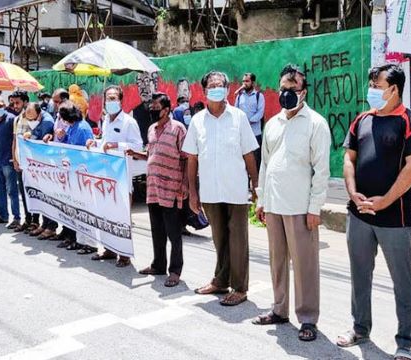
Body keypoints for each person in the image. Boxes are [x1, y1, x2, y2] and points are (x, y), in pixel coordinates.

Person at [337, 64, 411, 360]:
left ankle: (404, 341)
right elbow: (348, 159)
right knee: (359, 275)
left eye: (378, 86)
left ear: (394, 89)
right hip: (358, 214)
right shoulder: (361, 119)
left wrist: (384, 201)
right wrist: (353, 193)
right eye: (372, 85)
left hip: (396, 218)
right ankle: (360, 327)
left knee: (402, 280)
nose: (372, 91)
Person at [251, 64, 331, 342]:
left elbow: (321, 171)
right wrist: (262, 200)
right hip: (273, 205)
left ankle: (308, 318)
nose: (286, 93)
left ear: (304, 92)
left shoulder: (316, 124)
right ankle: (279, 309)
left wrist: (314, 208)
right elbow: (265, 165)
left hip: (300, 208)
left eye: (292, 89)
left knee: (305, 264)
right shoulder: (272, 123)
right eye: (283, 88)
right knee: (277, 262)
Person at [182, 71, 259, 306]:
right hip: (210, 191)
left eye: (220, 85)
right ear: (204, 91)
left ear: (227, 89)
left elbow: (248, 154)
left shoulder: (238, 118)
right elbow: (192, 159)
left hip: (235, 189)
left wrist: (256, 185)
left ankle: (240, 287)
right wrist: (193, 193)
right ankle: (220, 280)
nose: (216, 88)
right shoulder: (197, 121)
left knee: (238, 240)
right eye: (212, 85)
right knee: (219, 238)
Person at [128, 93, 188, 287]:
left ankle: (175, 270)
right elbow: (150, 153)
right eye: (151, 107)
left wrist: (185, 184)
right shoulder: (151, 129)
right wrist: (135, 154)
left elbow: (186, 158)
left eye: (156, 108)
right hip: (153, 188)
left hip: (171, 188)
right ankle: (158, 264)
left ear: (167, 110)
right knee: (157, 230)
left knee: (173, 232)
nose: (153, 111)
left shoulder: (178, 129)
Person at [88, 85, 143, 267]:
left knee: (122, 215)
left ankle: (124, 254)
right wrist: (94, 142)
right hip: (105, 175)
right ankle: (109, 249)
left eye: (114, 98)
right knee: (106, 213)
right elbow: (104, 143)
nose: (111, 101)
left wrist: (116, 146)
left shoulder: (129, 122)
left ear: (120, 100)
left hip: (122, 176)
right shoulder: (105, 121)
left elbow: (137, 146)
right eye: (108, 98)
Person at [44, 103, 95, 252]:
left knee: (85, 210)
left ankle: (89, 244)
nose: (60, 119)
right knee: (75, 209)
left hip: (82, 175)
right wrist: (60, 137)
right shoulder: (71, 128)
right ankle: (78, 240)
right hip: (71, 174)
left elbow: (87, 151)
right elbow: (67, 146)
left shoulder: (83, 128)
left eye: (61, 116)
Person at [18, 103, 58, 240]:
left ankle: (51, 226)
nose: (31, 122)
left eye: (33, 119)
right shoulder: (36, 120)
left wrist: (33, 135)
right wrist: (31, 134)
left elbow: (42, 140)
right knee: (42, 196)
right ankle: (45, 224)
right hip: (39, 166)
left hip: (48, 165)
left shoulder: (47, 121)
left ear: (39, 114)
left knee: (49, 196)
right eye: (28, 120)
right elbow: (36, 134)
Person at [10, 90, 39, 233]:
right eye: (13, 103)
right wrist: (15, 159)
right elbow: (15, 140)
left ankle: (35, 221)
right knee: (23, 191)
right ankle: (27, 219)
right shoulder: (17, 119)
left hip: (32, 163)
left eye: (18, 103)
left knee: (34, 192)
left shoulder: (33, 118)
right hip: (20, 161)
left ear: (26, 102)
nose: (15, 106)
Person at [0, 96, 21, 228]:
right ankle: (3, 214)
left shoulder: (12, 119)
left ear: (5, 105)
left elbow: (15, 140)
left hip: (8, 161)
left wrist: (14, 158)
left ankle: (17, 217)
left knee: (12, 191)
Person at [235, 72, 265, 170]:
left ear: (253, 83)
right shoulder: (239, 96)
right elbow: (235, 112)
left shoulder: (259, 96)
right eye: (243, 81)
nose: (244, 83)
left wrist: (248, 122)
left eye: (247, 81)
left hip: (255, 134)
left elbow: (260, 113)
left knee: (256, 162)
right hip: (242, 135)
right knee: (242, 164)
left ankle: (257, 184)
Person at [133, 72, 159, 145]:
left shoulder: (164, 111)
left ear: (155, 85)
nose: (142, 86)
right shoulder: (135, 113)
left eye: (146, 81)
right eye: (139, 82)